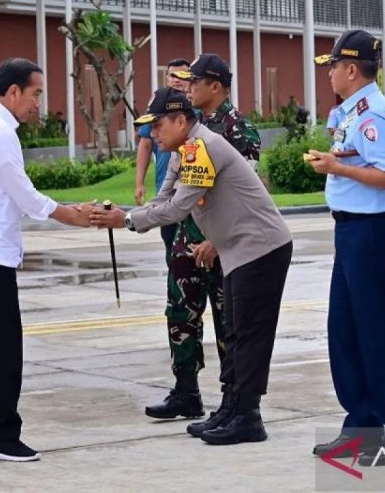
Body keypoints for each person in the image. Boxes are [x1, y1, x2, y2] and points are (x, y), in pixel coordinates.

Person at [90, 88, 292, 445]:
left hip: (261, 248)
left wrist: (125, 221)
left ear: (181, 121)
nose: (153, 134)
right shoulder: (185, 150)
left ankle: (248, 417)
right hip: (239, 250)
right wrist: (124, 215)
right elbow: (162, 199)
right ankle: (231, 409)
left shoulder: (203, 148)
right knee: (235, 332)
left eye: (158, 125)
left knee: (247, 335)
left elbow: (177, 209)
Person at [0, 58, 95, 462]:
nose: (38, 105)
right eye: (36, 95)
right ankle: (3, 437)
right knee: (6, 346)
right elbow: (25, 195)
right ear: (13, 92)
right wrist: (72, 215)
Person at [309, 30, 385, 466]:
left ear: (352, 69)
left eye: (334, 66)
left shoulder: (374, 112)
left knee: (378, 333)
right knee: (346, 331)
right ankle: (362, 424)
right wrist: (337, 164)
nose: (331, 74)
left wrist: (338, 166)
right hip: (354, 231)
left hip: (374, 231)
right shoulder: (353, 111)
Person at [156, 54, 261, 437]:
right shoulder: (192, 129)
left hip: (221, 247)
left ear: (215, 86)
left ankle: (231, 403)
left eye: (195, 81)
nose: (188, 86)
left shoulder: (238, 130)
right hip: (187, 239)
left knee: (227, 326)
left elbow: (246, 197)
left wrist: (216, 241)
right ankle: (186, 392)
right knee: (180, 315)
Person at [134, 57, 191, 261]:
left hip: (192, 194)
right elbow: (145, 143)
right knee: (173, 252)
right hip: (166, 191)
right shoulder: (157, 107)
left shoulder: (196, 111)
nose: (176, 80)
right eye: (171, 75)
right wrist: (139, 182)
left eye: (181, 75)